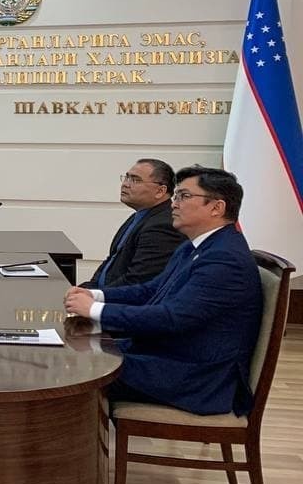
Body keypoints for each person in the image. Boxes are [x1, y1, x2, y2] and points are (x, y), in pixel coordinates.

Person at [64, 166, 262, 416]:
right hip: (166, 355)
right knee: (75, 352)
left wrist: (94, 310)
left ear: (216, 207)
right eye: (176, 195)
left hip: (193, 378)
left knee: (78, 370)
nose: (173, 203)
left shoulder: (225, 259)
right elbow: (151, 291)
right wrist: (96, 296)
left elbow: (172, 317)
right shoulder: (195, 246)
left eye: (184, 196)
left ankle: (69, 439)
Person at [80, 158, 185, 288]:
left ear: (160, 191)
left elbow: (138, 280)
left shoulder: (163, 226)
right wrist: (89, 287)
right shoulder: (139, 216)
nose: (126, 184)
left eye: (135, 180)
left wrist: (96, 295)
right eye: (127, 178)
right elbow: (112, 260)